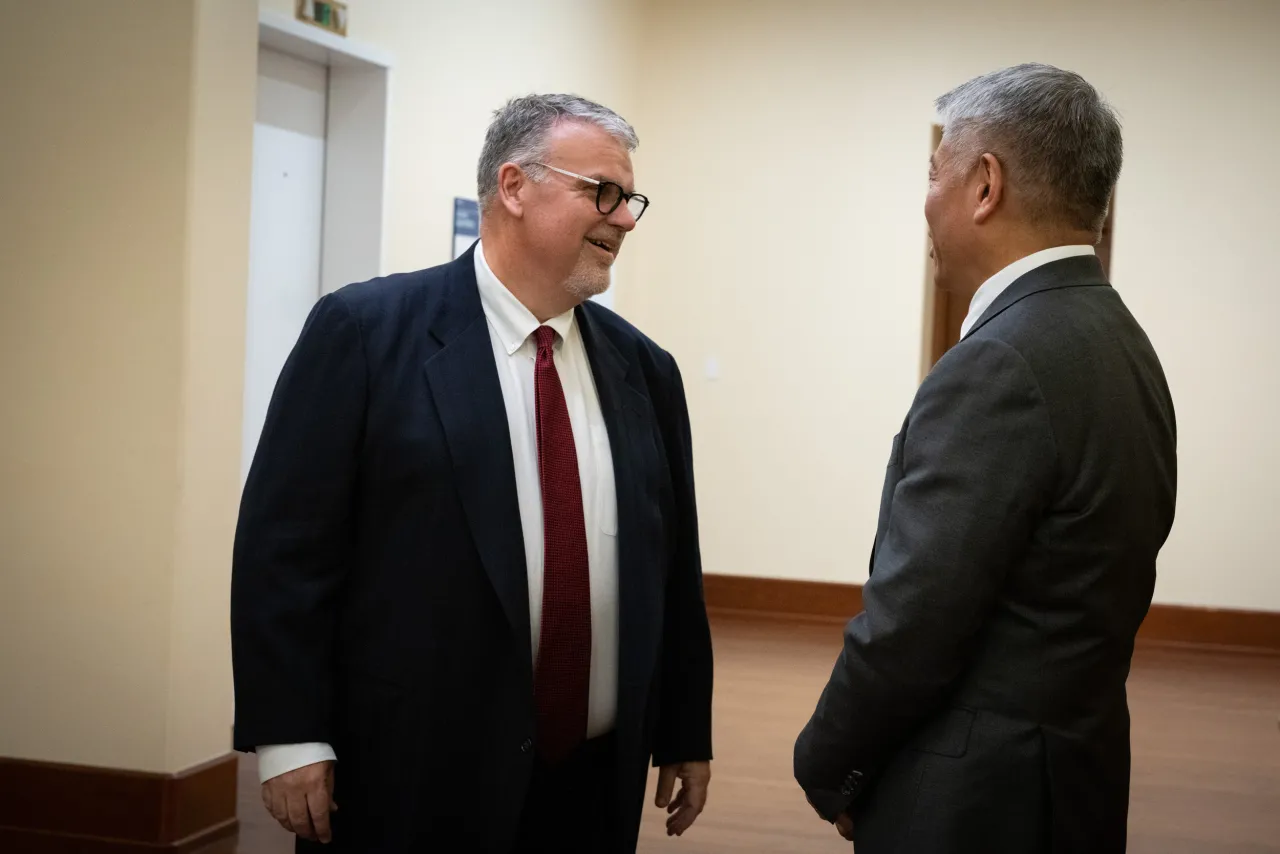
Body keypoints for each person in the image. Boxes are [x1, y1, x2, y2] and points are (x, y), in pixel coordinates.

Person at [231, 94, 714, 853]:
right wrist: (290, 734)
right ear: (515, 187)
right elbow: (284, 550)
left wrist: (686, 727)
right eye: (604, 193)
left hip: (590, 779)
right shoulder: (365, 333)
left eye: (631, 200)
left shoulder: (645, 370)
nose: (625, 219)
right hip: (410, 771)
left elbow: (672, 564)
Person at [794, 63, 1176, 853]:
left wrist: (828, 761)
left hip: (974, 798)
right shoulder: (1122, 341)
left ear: (985, 184)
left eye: (934, 175)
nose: (926, 203)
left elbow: (914, 623)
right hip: (1075, 777)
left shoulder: (1001, 360)